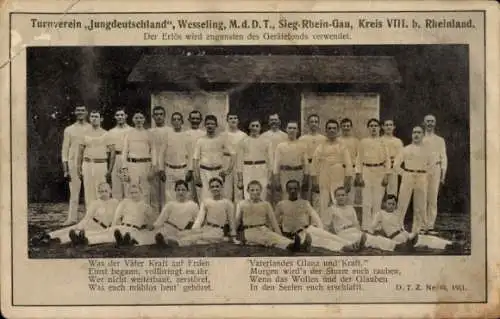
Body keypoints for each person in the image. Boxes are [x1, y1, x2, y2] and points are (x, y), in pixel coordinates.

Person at [275, 180, 355, 253]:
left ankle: (352, 244)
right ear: (286, 190)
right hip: (297, 234)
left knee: (328, 235)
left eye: (295, 189)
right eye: (290, 189)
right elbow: (275, 221)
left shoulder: (304, 203)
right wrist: (281, 234)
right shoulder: (281, 204)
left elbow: (316, 217)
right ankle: (342, 248)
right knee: (320, 241)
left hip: (308, 228)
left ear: (299, 190)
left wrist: (320, 230)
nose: (293, 191)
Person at [328, 187, 406, 252]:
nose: (341, 197)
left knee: (373, 238)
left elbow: (356, 223)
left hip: (354, 230)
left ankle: (394, 244)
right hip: (343, 232)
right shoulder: (332, 209)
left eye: (343, 195)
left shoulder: (350, 208)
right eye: (338, 195)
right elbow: (327, 225)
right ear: (335, 197)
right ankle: (393, 246)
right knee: (368, 239)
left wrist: (360, 231)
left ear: (346, 196)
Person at [75, 184, 156, 246]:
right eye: (131, 193)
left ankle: (124, 241)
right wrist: (113, 225)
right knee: (105, 234)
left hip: (134, 229)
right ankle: (84, 238)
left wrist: (147, 225)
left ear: (141, 193)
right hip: (123, 226)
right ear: (128, 194)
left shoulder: (146, 206)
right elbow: (117, 216)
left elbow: (153, 221)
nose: (133, 195)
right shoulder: (125, 202)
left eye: (136, 192)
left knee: (129, 235)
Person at [369, 195, 459, 251]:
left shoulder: (396, 214)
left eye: (393, 204)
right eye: (389, 203)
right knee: (420, 240)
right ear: (384, 203)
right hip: (396, 237)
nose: (391, 206)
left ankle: (449, 244)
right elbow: (372, 227)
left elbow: (401, 227)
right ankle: (445, 245)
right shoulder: (380, 213)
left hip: (404, 234)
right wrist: (379, 234)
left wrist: (406, 233)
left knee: (425, 238)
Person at [235, 180, 302, 252]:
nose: (255, 192)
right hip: (249, 230)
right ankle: (292, 245)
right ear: (248, 191)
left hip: (264, 229)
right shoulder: (241, 204)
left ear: (261, 191)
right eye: (252, 190)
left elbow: (274, 222)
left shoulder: (266, 204)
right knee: (267, 238)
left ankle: (293, 245)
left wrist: (280, 235)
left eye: (257, 190)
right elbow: (237, 221)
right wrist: (234, 235)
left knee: (273, 236)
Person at [46, 183, 119, 245]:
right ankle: (48, 236)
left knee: (77, 234)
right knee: (72, 229)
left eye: (106, 191)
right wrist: (81, 225)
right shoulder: (95, 203)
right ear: (98, 192)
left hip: (101, 228)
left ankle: (55, 240)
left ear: (110, 191)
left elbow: (117, 217)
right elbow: (88, 217)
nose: (104, 194)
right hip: (91, 223)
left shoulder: (115, 202)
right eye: (101, 192)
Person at [173, 177, 239, 246]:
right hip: (206, 228)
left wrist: (233, 237)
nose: (215, 189)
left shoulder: (227, 203)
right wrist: (193, 230)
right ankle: (170, 239)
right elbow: (199, 219)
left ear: (222, 187)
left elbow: (232, 222)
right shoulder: (206, 201)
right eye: (212, 187)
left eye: (217, 186)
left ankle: (178, 243)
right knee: (183, 233)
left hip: (218, 231)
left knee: (197, 237)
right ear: (209, 189)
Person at [132, 180, 199, 246]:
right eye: (178, 190)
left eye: (183, 190)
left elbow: (198, 222)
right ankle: (133, 240)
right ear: (175, 191)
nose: (180, 192)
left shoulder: (193, 205)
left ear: (187, 191)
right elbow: (161, 220)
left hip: (182, 231)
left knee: (186, 238)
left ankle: (168, 241)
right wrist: (154, 226)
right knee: (152, 236)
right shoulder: (170, 204)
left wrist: (190, 228)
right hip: (168, 228)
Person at [311, 119, 353, 224]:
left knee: (337, 199)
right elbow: (314, 164)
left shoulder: (342, 145)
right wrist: (314, 180)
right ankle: (324, 225)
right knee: (323, 201)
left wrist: (348, 180)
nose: (332, 130)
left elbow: (348, 164)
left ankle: (340, 225)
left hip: (338, 174)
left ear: (338, 130)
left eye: (334, 128)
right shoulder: (321, 146)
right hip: (324, 173)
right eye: (329, 128)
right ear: (326, 130)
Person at [393, 126, 432, 233]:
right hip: (408, 175)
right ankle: (398, 226)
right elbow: (396, 165)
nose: (416, 135)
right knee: (402, 202)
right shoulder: (406, 149)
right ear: (411, 134)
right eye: (414, 132)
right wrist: (404, 174)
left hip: (421, 177)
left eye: (419, 132)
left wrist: (425, 175)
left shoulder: (427, 151)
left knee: (420, 204)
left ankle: (418, 229)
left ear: (423, 135)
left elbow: (431, 165)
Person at [355, 119, 391, 230]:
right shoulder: (363, 142)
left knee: (377, 200)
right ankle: (366, 226)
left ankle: (376, 225)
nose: (373, 128)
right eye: (371, 126)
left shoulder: (383, 142)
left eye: (376, 125)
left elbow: (387, 160)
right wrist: (359, 175)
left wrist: (386, 175)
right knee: (366, 200)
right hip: (366, 170)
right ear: (368, 128)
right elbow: (359, 159)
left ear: (379, 128)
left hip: (379, 170)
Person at [61, 105, 91, 225]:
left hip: (89, 162)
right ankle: (72, 219)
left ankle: (89, 219)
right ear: (74, 112)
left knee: (89, 193)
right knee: (74, 193)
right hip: (73, 163)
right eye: (78, 110)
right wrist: (65, 169)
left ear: (86, 112)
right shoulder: (69, 129)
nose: (80, 112)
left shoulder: (91, 128)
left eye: (82, 110)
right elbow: (64, 150)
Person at [77, 110, 115, 208]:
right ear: (89, 119)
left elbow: (112, 152)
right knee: (88, 190)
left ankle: (101, 217)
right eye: (92, 116)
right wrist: (78, 167)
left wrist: (110, 170)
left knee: (101, 190)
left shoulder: (107, 134)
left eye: (96, 116)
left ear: (101, 119)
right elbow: (80, 151)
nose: (94, 119)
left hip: (101, 165)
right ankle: (89, 216)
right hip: (87, 164)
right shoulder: (84, 133)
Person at [193, 115, 235, 201]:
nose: (210, 126)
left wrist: (228, 171)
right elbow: (195, 159)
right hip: (204, 172)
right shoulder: (200, 140)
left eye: (212, 124)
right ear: (205, 125)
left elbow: (233, 154)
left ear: (216, 125)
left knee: (219, 197)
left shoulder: (222, 139)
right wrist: (197, 176)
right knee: (205, 198)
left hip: (218, 172)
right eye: (208, 124)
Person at [122, 111, 155, 206]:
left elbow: (153, 151)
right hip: (132, 165)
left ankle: (144, 215)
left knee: (145, 190)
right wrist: (125, 169)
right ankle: (131, 214)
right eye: (136, 118)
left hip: (145, 165)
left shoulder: (149, 134)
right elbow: (124, 152)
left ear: (144, 120)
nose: (138, 120)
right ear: (133, 120)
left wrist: (153, 168)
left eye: (141, 118)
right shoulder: (128, 134)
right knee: (131, 189)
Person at [422, 114, 448, 235]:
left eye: (432, 121)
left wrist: (443, 174)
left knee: (432, 199)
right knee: (422, 197)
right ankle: (422, 225)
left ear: (435, 123)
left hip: (435, 169)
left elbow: (444, 157)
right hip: (422, 170)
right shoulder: (419, 138)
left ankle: (430, 226)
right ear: (424, 123)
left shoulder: (440, 140)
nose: (430, 123)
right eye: (428, 121)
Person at [157, 112, 190, 203]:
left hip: (182, 169)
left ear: (182, 121)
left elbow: (190, 155)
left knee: (183, 193)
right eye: (174, 119)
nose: (176, 121)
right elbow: (161, 153)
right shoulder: (167, 135)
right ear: (171, 122)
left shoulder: (186, 136)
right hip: (169, 169)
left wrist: (189, 170)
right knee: (169, 195)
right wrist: (161, 169)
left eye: (178, 119)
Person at [236, 119, 273, 200]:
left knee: (262, 194)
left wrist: (270, 178)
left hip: (262, 169)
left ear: (260, 128)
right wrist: (240, 179)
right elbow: (239, 162)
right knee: (248, 194)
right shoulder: (243, 142)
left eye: (257, 126)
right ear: (249, 127)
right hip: (247, 170)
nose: (255, 128)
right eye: (252, 125)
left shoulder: (266, 141)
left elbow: (270, 162)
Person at [273, 121, 309, 200]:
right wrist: (276, 179)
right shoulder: (280, 146)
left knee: (298, 197)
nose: (292, 130)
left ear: (298, 130)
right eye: (290, 128)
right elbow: (276, 164)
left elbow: (306, 163)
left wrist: (306, 177)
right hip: (285, 174)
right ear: (286, 130)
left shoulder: (302, 145)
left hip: (298, 173)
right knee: (285, 197)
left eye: (294, 128)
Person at [149, 106, 173, 213]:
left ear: (164, 116)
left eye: (161, 114)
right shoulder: (149, 131)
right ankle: (154, 217)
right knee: (153, 193)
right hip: (152, 164)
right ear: (153, 116)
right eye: (156, 114)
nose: (159, 116)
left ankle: (165, 217)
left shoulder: (170, 131)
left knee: (166, 193)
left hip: (166, 165)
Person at [299, 114, 326, 204]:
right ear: (308, 124)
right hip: (307, 167)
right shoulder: (302, 139)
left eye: (315, 122)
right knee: (306, 193)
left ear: (318, 124)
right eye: (311, 122)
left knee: (318, 193)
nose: (313, 124)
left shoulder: (323, 139)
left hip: (319, 167)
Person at [261, 113, 288, 204]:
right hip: (267, 168)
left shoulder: (285, 136)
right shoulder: (264, 136)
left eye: (275, 120)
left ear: (279, 121)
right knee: (267, 192)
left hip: (280, 168)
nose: (274, 122)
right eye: (272, 120)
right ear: (269, 122)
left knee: (280, 191)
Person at [107, 109, 132, 200]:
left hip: (128, 159)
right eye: (117, 115)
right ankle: (117, 212)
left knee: (128, 186)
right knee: (116, 188)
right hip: (116, 158)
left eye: (122, 115)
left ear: (126, 116)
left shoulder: (131, 130)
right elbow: (109, 152)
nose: (120, 117)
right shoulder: (111, 132)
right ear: (115, 117)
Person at [222, 112, 247, 202]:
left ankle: (237, 214)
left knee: (239, 190)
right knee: (226, 190)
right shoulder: (223, 135)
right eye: (231, 118)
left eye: (235, 118)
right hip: (226, 161)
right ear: (227, 120)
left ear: (238, 120)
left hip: (239, 162)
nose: (233, 120)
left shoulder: (243, 135)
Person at [185, 110, 205, 202]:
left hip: (201, 168)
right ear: (189, 119)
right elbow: (186, 153)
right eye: (193, 118)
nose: (195, 120)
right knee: (189, 195)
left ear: (200, 120)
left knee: (201, 194)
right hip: (187, 167)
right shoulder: (185, 134)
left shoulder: (204, 134)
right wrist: (189, 169)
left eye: (197, 118)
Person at [338, 118, 359, 205]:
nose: (346, 128)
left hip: (352, 170)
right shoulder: (337, 140)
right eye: (344, 126)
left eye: (348, 126)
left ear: (351, 127)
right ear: (340, 127)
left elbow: (359, 158)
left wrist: (357, 173)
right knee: (338, 193)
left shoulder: (356, 141)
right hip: (339, 169)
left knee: (350, 195)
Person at [381, 119, 404, 197]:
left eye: (390, 125)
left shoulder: (398, 141)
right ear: (383, 127)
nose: (388, 127)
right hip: (381, 169)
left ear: (394, 127)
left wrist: (394, 163)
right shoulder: (379, 140)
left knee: (391, 195)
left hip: (393, 169)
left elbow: (401, 156)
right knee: (379, 194)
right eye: (386, 125)